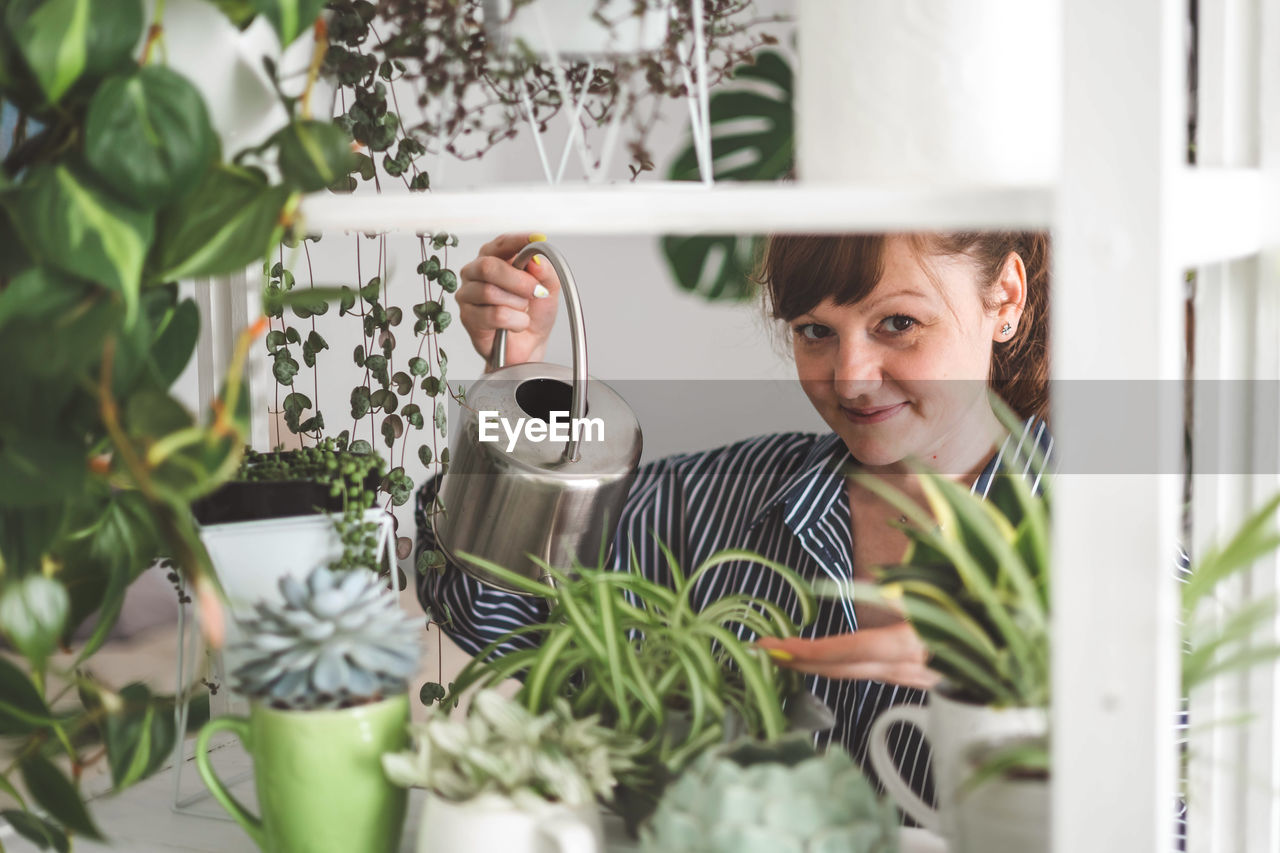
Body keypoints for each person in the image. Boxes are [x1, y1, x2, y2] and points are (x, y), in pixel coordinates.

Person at [415, 230, 1053, 806]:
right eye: (815, 331)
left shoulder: (1117, 545)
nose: (852, 378)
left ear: (1006, 299)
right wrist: (517, 389)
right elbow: (491, 612)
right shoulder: (711, 505)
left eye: (898, 323)